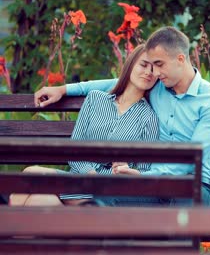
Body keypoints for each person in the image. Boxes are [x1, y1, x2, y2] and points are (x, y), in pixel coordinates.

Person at [33, 26, 210, 207]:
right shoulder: (159, 86)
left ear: (180, 59)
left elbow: (191, 160)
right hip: (153, 187)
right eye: (151, 65)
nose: (155, 73)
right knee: (102, 194)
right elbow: (121, 82)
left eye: (159, 64)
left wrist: (145, 177)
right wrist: (64, 89)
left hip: (194, 185)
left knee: (181, 214)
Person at [10, 44, 160, 206]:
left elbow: (144, 171)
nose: (148, 73)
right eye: (143, 65)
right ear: (131, 65)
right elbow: (75, 150)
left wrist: (127, 170)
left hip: (110, 189)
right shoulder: (95, 99)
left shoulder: (149, 117)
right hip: (79, 181)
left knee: (32, 174)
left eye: (154, 69)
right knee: (39, 199)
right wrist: (91, 175)